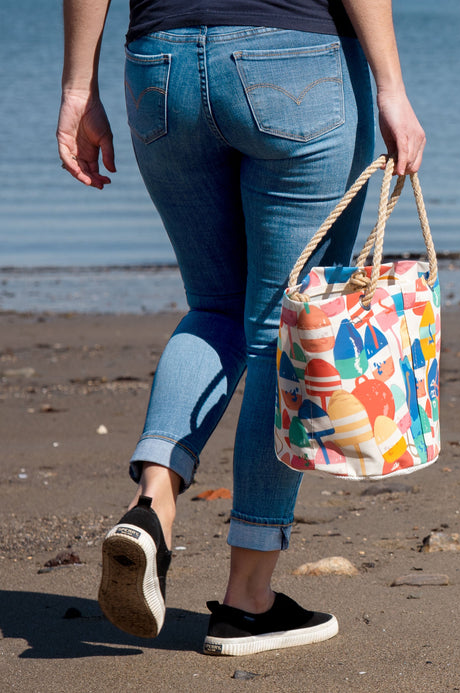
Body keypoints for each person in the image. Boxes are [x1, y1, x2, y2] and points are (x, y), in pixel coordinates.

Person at [57, 0, 425, 656]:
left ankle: (154, 505)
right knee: (282, 332)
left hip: (159, 66)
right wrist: (392, 88)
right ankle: (248, 598)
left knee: (216, 305)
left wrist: (78, 88)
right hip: (294, 63)